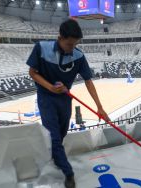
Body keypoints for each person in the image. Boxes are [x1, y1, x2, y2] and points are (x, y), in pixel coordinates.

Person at [26, 19, 110, 188]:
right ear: (60, 38)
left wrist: (99, 107)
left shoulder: (78, 55)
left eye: (75, 44)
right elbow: (32, 72)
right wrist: (50, 87)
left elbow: (88, 81)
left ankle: (57, 157)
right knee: (54, 136)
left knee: (61, 134)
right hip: (46, 98)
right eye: (69, 44)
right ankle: (68, 173)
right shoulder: (41, 48)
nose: (72, 48)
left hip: (65, 99)